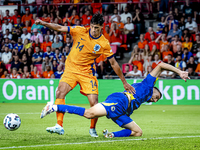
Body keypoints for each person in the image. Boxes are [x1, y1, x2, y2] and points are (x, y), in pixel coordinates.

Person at [35, 13, 135, 137]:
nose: (94, 30)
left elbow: (114, 63)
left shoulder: (103, 43)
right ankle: (59, 125)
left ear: (101, 27)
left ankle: (92, 128)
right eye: (92, 26)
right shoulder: (80, 30)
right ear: (90, 25)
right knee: (60, 93)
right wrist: (44, 23)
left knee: (94, 104)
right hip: (71, 70)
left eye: (97, 28)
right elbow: (60, 28)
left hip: (87, 74)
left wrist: (124, 82)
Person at [40, 62, 190, 138]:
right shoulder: (148, 85)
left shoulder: (143, 97)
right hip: (120, 101)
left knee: (138, 132)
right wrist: (180, 72)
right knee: (89, 113)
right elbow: (161, 65)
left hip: (122, 110)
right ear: (155, 90)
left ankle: (110, 135)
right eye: (156, 97)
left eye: (156, 100)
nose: (155, 100)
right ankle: (53, 107)